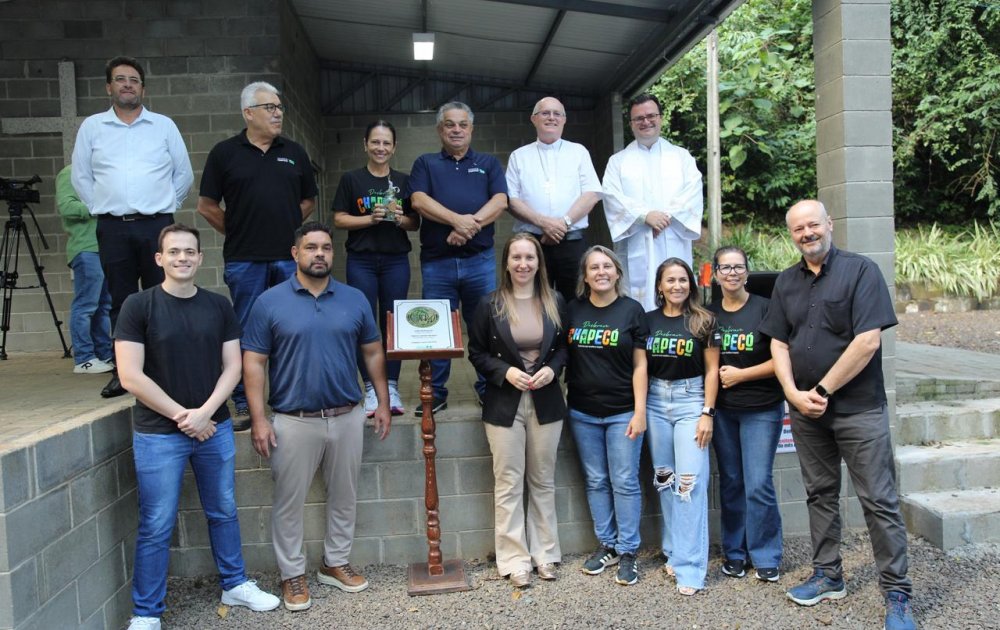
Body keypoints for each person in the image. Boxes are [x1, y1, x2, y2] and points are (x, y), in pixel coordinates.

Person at [759, 200, 916, 630]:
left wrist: (822, 390)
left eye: (813, 224)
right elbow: (778, 342)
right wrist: (792, 393)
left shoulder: (861, 271)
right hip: (807, 413)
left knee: (879, 501)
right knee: (820, 495)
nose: (807, 233)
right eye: (798, 228)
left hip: (858, 410)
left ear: (829, 224)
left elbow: (867, 342)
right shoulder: (786, 281)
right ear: (791, 234)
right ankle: (828, 575)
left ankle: (897, 595)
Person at [115, 224, 280, 630]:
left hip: (214, 429)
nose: (182, 258)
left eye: (190, 251)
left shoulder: (218, 305)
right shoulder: (138, 305)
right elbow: (130, 376)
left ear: (201, 258)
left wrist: (206, 412)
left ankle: (234, 584)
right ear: (159, 259)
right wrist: (186, 418)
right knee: (157, 523)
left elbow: (233, 366)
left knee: (223, 510)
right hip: (158, 434)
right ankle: (146, 613)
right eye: (174, 252)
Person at [242, 221, 391, 612]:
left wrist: (381, 400)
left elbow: (373, 352)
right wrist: (259, 419)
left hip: (347, 414)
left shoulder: (354, 299)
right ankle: (292, 573)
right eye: (311, 247)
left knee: (345, 494)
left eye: (326, 247)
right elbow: (254, 362)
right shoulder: (269, 302)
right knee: (289, 502)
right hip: (294, 419)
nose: (319, 254)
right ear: (296, 253)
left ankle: (334, 562)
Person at [197, 81, 318, 428]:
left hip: (286, 259)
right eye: (270, 108)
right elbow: (206, 205)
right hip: (244, 260)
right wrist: (238, 230)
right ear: (248, 113)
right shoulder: (224, 153)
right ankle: (244, 403)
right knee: (246, 333)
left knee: (289, 329)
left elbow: (308, 200)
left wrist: (286, 224)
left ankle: (286, 399)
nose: (278, 113)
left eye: (280, 108)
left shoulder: (294, 151)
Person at [72, 55, 194, 399]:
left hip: (157, 226)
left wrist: (164, 204)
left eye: (134, 80)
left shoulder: (163, 126)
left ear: (143, 88)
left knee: (164, 296)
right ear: (108, 87)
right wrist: (102, 205)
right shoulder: (93, 127)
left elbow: (183, 174)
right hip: (113, 228)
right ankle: (125, 373)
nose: (127, 85)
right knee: (121, 300)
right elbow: (82, 176)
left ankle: (164, 371)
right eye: (120, 79)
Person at [468, 233, 568, 588]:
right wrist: (505, 372)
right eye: (516, 257)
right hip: (504, 403)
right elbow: (476, 353)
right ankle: (514, 560)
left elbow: (564, 348)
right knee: (509, 482)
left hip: (546, 401)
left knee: (542, 480)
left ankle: (545, 554)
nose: (523, 264)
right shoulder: (490, 304)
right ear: (507, 263)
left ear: (539, 263)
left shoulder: (554, 301)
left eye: (530, 257)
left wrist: (552, 369)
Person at [406, 101, 508, 414]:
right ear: (440, 130)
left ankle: (488, 388)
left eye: (463, 124)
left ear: (471, 129)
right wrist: (458, 221)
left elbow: (500, 201)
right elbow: (418, 200)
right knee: (436, 329)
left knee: (484, 327)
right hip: (437, 264)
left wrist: (467, 228)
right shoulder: (425, 163)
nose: (456, 130)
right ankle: (436, 392)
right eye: (449, 124)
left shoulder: (488, 163)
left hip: (480, 262)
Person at [565, 245, 648, 586]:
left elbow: (641, 365)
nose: (601, 272)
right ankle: (607, 545)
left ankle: (628, 550)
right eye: (594, 267)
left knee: (624, 481)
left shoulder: (632, 310)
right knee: (596, 480)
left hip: (622, 412)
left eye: (607, 266)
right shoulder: (573, 310)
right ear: (585, 276)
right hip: (582, 412)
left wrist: (640, 411)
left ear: (617, 273)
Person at [707, 246, 785, 583]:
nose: (732, 273)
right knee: (731, 482)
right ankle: (735, 553)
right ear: (716, 275)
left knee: (758, 483)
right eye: (725, 268)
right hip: (724, 411)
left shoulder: (766, 308)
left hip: (761, 408)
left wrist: (742, 375)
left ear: (747, 272)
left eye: (738, 267)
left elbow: (783, 359)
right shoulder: (709, 315)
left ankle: (765, 553)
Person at [333, 119, 419, 417]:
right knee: (364, 323)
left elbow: (415, 223)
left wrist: (397, 218)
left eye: (386, 143)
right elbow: (339, 219)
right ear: (365, 145)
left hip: (396, 260)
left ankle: (391, 387)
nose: (380, 147)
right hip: (362, 261)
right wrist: (370, 219)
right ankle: (371, 388)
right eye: (375, 142)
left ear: (394, 147)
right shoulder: (351, 179)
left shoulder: (404, 181)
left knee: (394, 324)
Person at [644, 257, 719, 596]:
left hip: (691, 402)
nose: (677, 285)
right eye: (670, 280)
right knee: (665, 479)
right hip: (656, 401)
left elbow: (713, 370)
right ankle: (674, 550)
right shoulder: (647, 321)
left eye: (683, 280)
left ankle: (691, 568)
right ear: (660, 286)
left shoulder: (703, 320)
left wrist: (707, 412)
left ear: (691, 284)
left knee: (689, 483)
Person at [602, 93, 703, 311]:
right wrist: (644, 216)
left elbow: (693, 191)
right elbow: (611, 196)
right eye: (639, 118)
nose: (645, 122)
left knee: (676, 291)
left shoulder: (681, 157)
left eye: (651, 116)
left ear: (661, 118)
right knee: (638, 298)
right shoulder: (618, 162)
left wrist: (665, 217)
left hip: (673, 235)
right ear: (631, 124)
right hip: (637, 238)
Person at [505, 97, 602, 302]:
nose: (551, 117)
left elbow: (592, 194)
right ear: (534, 119)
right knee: (534, 300)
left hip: (572, 242)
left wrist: (562, 224)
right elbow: (511, 199)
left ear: (564, 120)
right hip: (532, 244)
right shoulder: (519, 156)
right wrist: (543, 223)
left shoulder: (578, 152)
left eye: (557, 113)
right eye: (545, 113)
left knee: (577, 302)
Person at [56, 163, 113, 375]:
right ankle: (84, 358)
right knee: (86, 305)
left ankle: (104, 353)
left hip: (105, 247)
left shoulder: (100, 171)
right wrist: (100, 205)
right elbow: (66, 207)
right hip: (86, 248)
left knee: (104, 305)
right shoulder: (69, 173)